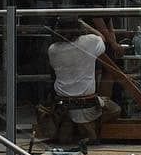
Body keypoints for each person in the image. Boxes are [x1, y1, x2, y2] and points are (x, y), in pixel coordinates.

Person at [74, 0, 137, 110]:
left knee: (111, 68)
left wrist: (113, 40)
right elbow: (97, 16)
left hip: (101, 30)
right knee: (95, 69)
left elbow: (108, 17)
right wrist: (112, 42)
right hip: (86, 29)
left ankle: (104, 106)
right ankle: (91, 104)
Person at [42, 16, 105, 144]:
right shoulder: (90, 41)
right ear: (79, 27)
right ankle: (85, 129)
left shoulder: (53, 49)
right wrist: (86, 25)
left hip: (62, 101)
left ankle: (74, 126)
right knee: (115, 109)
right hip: (86, 101)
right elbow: (102, 38)